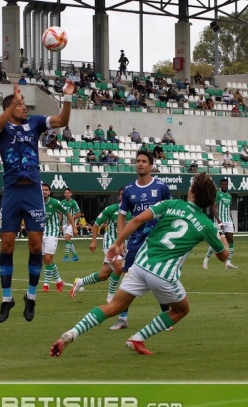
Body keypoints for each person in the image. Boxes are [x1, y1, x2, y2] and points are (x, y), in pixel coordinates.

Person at [50, 173, 228, 357]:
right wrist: (222, 236)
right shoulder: (207, 225)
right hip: (163, 274)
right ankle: (138, 338)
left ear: (192, 193)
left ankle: (73, 332)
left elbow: (136, 220)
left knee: (113, 307)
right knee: (181, 310)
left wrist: (117, 243)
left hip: (139, 264)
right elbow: (223, 256)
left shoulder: (172, 204)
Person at [0, 80, 74, 322]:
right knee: (6, 245)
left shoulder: (34, 123)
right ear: (10, 107)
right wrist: (11, 104)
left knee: (36, 246)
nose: (25, 108)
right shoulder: (3, 128)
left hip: (32, 193)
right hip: (11, 192)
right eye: (20, 105)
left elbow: (62, 121)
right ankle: (7, 299)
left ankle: (31, 296)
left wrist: (67, 97)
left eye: (25, 105)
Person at [110, 150, 172, 330]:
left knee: (158, 277)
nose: (140, 164)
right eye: (138, 161)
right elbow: (121, 217)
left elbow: (171, 211)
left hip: (156, 242)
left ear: (151, 165)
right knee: (128, 278)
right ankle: (122, 318)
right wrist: (120, 241)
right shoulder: (129, 190)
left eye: (144, 161)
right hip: (135, 242)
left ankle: (166, 317)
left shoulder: (161, 187)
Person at [71, 188, 127, 300]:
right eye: (121, 195)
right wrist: (94, 241)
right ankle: (111, 296)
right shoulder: (110, 209)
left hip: (125, 245)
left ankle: (80, 282)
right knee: (120, 266)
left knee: (103, 275)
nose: (124, 197)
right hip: (110, 243)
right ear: (118, 197)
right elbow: (96, 224)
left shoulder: (134, 211)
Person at [41, 182, 75, 293]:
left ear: (49, 192)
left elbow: (67, 213)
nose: (44, 191)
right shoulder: (36, 203)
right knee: (46, 260)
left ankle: (46, 285)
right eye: (42, 190)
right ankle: (59, 281)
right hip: (40, 233)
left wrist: (74, 227)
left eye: (46, 190)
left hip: (52, 233)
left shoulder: (55, 203)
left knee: (48, 258)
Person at [204, 177, 238, 269]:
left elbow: (228, 209)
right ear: (220, 185)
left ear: (227, 185)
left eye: (225, 184)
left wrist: (232, 221)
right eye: (222, 184)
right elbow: (214, 208)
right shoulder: (217, 194)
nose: (224, 186)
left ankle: (228, 262)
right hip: (220, 220)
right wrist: (218, 220)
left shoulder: (229, 196)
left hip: (228, 221)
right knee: (216, 240)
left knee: (230, 239)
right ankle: (206, 259)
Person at [60, 188, 81, 262]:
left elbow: (79, 213)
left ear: (71, 194)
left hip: (72, 223)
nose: (67, 194)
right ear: (64, 194)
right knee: (67, 239)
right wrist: (59, 224)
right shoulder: (62, 203)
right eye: (65, 193)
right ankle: (75, 256)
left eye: (68, 193)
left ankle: (66, 256)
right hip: (64, 223)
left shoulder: (73, 202)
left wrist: (71, 219)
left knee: (67, 237)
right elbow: (61, 214)